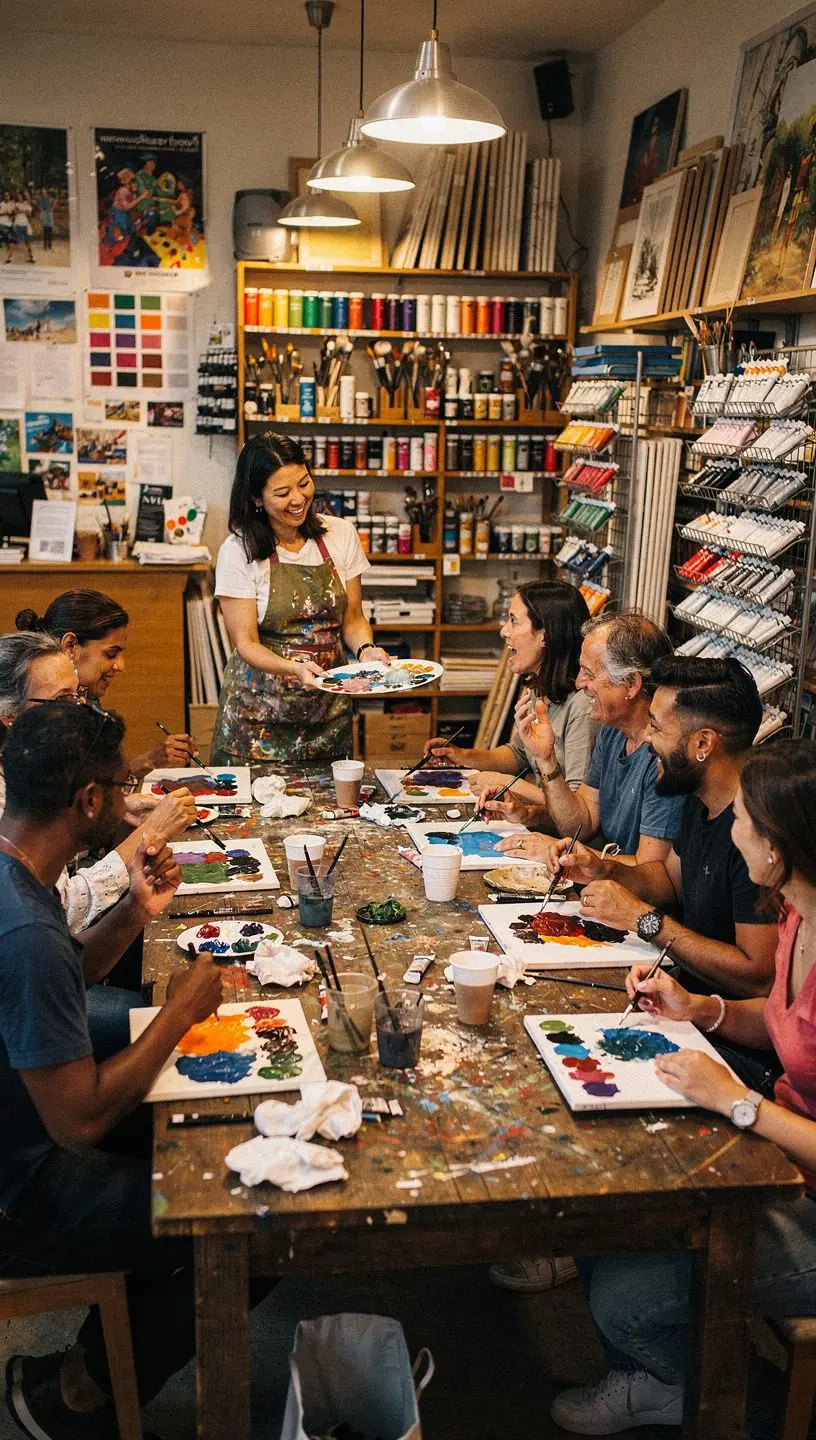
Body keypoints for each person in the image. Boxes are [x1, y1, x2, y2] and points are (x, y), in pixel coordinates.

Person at [551, 738, 816, 1439]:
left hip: (803, 1187)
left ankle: (729, 1400)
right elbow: (787, 1025)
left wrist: (737, 1100)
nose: (731, 831)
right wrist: (703, 1011)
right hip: (779, 1157)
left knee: (624, 1299)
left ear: (779, 848)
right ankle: (671, 1377)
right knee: (596, 1197)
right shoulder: (796, 916)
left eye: (744, 824)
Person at [0, 702, 238, 1437]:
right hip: (22, 1190)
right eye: (119, 782)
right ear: (89, 800)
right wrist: (179, 1014)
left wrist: (133, 912)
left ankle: (89, 1369)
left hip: (22, 1126)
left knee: (219, 1134)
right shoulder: (25, 926)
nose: (132, 794)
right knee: (243, 1230)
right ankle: (74, 1396)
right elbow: (81, 1121)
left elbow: (59, 989)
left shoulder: (17, 872)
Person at [558, 656, 777, 999]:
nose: (646, 737)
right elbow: (670, 885)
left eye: (657, 727)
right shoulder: (698, 797)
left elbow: (757, 976)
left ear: (703, 744)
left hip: (728, 1031)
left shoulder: (757, 832)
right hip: (681, 996)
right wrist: (603, 869)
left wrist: (644, 919)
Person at [212, 432, 391, 763]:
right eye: (282, 493)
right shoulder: (238, 551)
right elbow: (246, 643)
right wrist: (293, 668)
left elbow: (352, 617)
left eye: (304, 483)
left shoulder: (341, 535)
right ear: (256, 498)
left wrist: (366, 651)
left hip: (327, 717)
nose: (298, 499)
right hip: (258, 723)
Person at [495, 612, 685, 867]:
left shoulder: (664, 754)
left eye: (589, 672)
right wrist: (546, 759)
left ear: (630, 684)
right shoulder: (613, 730)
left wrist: (559, 851)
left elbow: (651, 873)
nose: (580, 682)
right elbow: (582, 823)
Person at [422, 582, 597, 823]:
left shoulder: (582, 707)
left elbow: (575, 807)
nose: (504, 631)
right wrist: (463, 756)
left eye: (514, 621)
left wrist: (506, 782)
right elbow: (519, 754)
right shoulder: (540, 686)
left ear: (545, 636)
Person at [16, 590, 196, 777]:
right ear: (70, 646)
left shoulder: (85, 696)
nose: (120, 666)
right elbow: (78, 797)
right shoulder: (38, 711)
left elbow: (93, 784)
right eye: (111, 654)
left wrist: (151, 761)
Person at [6, 190, 34, 265]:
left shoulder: (26, 204)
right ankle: (9, 258)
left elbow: (29, 213)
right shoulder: (16, 204)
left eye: (20, 196)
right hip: (17, 226)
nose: (19, 197)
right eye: (18, 196)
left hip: (25, 226)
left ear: (23, 196)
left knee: (27, 243)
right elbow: (13, 212)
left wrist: (21, 211)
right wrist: (16, 211)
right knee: (12, 242)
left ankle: (31, 258)